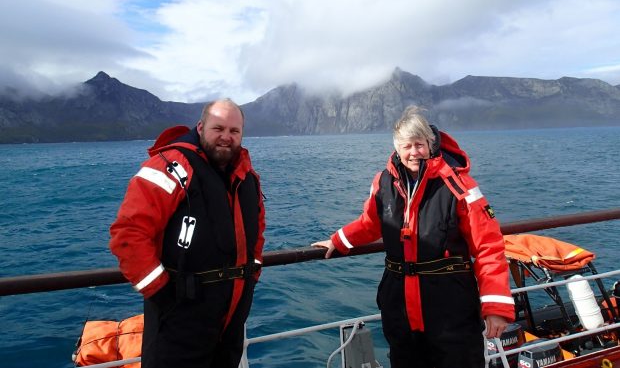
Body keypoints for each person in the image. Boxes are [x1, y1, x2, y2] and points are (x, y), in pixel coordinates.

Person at [312, 105, 514, 368]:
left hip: (449, 306)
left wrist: (496, 308)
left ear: (430, 145)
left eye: (419, 144)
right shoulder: (383, 182)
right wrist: (338, 241)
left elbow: (487, 245)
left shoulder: (460, 185)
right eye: (407, 146)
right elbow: (371, 223)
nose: (414, 152)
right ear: (397, 148)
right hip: (399, 306)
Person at [109, 98, 265, 368]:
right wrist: (161, 293)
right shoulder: (170, 166)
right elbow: (129, 233)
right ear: (201, 126)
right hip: (179, 318)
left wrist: (252, 274)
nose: (226, 137)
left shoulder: (247, 177)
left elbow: (257, 232)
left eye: (234, 131)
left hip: (230, 321)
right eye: (218, 129)